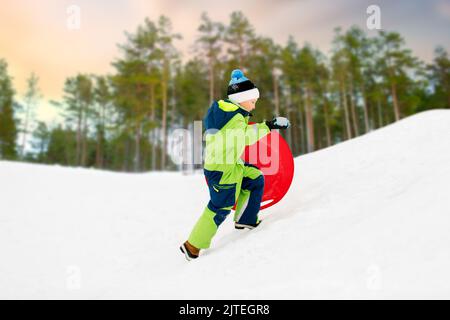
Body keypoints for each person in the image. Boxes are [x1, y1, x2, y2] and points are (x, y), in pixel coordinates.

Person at [180, 69, 290, 261]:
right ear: (241, 98)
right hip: (222, 171)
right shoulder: (235, 118)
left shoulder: (227, 110)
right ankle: (193, 245)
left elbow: (240, 132)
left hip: (230, 165)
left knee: (254, 178)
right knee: (219, 208)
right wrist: (269, 126)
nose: (254, 106)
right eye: (253, 101)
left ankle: (245, 219)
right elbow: (245, 135)